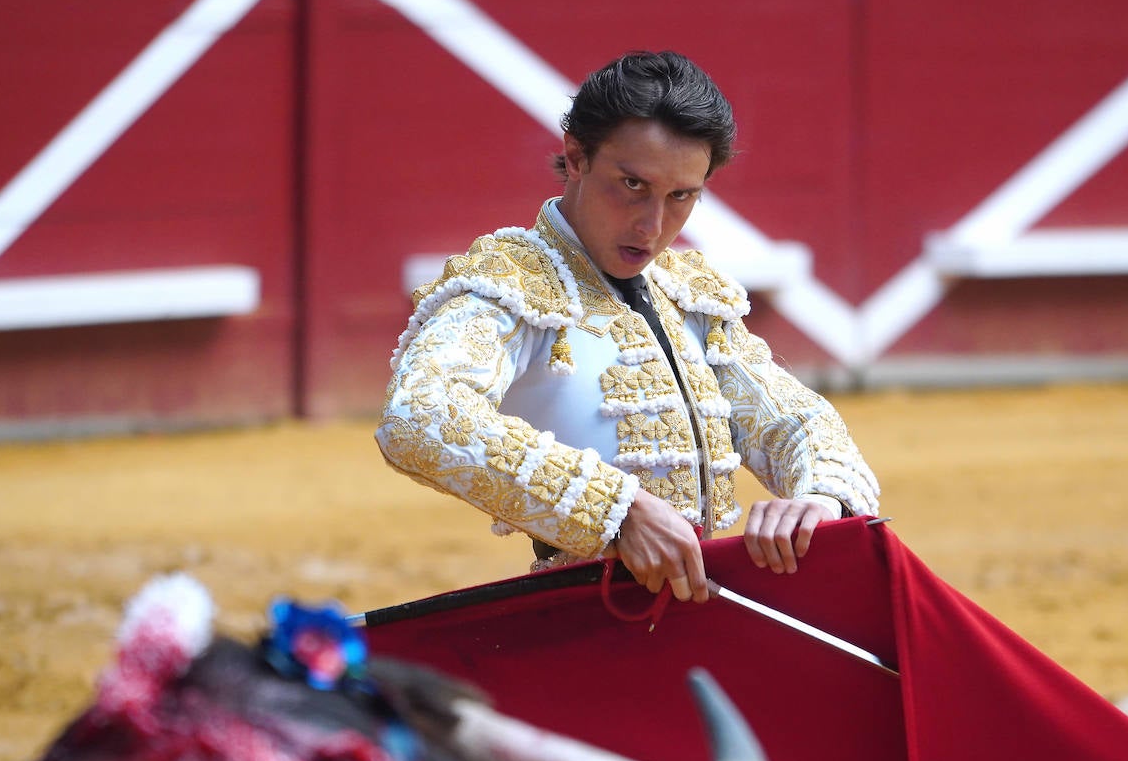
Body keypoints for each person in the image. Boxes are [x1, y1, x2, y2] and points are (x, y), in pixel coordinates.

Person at [376, 50, 879, 604]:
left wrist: (820, 500)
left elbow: (794, 420)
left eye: (681, 196)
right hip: (584, 620)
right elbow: (418, 416)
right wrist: (616, 509)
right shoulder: (509, 283)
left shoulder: (686, 293)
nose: (653, 224)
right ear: (576, 157)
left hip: (699, 615)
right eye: (633, 184)